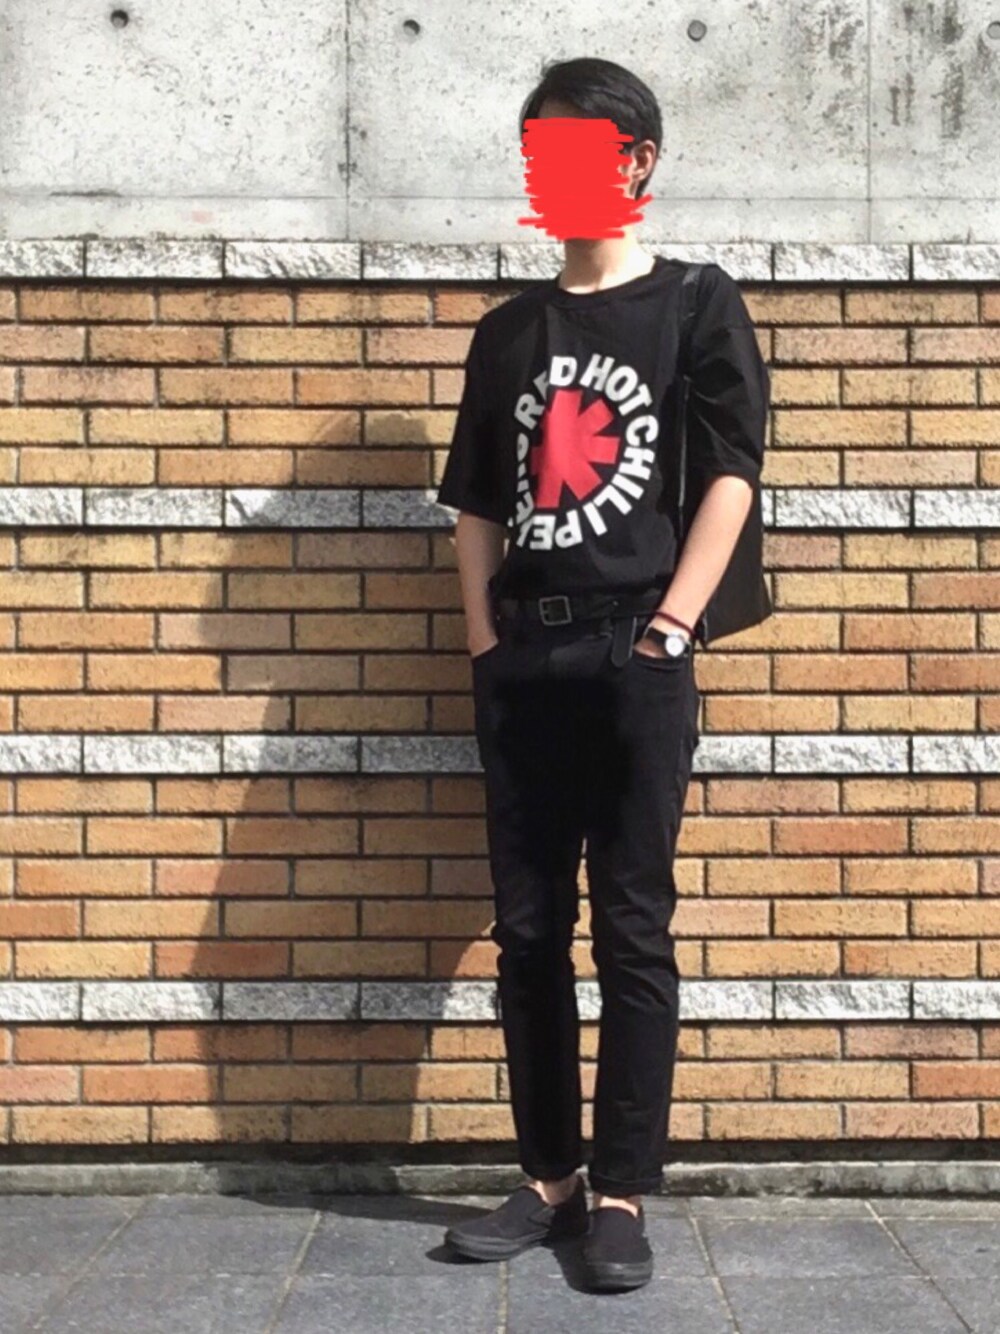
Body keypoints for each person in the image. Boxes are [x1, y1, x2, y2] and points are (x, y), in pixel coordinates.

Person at [437, 56, 771, 1291]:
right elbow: (478, 500)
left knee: (632, 926)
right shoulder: (507, 332)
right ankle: (549, 1178)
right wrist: (485, 645)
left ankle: (622, 1188)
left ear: (636, 160)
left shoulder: (694, 303)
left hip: (639, 648)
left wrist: (672, 627)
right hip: (525, 655)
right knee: (528, 932)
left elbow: (731, 471)